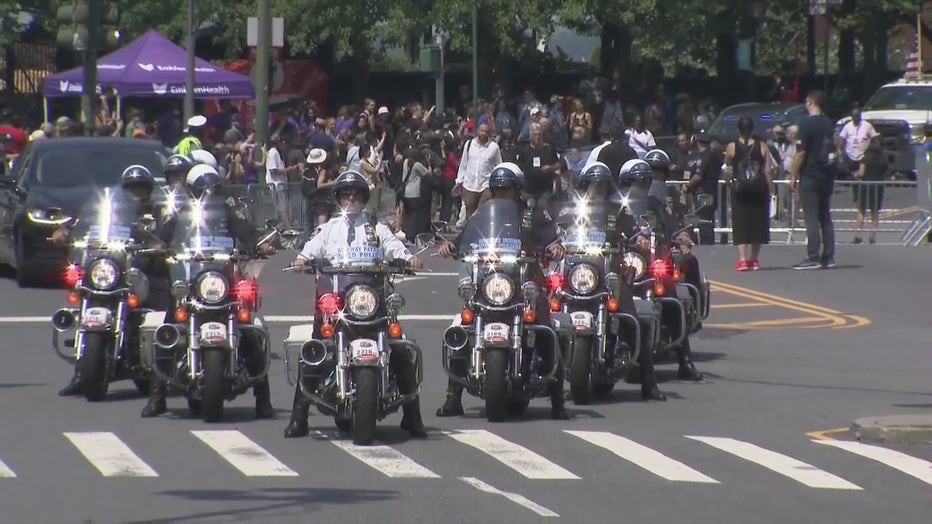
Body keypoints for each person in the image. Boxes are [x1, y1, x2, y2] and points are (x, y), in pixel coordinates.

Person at [284, 170, 428, 439]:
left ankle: (413, 416)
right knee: (315, 352)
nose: (351, 198)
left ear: (364, 197)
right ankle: (299, 418)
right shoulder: (327, 229)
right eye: (346, 194)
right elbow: (310, 250)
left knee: (400, 352)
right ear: (338, 198)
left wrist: (409, 260)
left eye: (356, 194)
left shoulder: (376, 227)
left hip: (371, 299)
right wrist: (302, 260)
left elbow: (395, 248)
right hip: (336, 301)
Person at [435, 162, 571, 420]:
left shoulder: (534, 215)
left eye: (505, 189)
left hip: (524, 283)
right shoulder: (482, 214)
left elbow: (552, 239)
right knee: (463, 327)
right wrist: (450, 247)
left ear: (517, 190)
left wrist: (556, 248)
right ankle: (453, 398)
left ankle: (558, 400)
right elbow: (465, 238)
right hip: (489, 282)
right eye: (497, 189)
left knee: (546, 329)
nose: (501, 194)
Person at [140, 163, 277, 418]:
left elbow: (246, 232)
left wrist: (260, 243)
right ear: (192, 190)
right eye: (202, 189)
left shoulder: (228, 211)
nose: (208, 194)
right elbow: (163, 236)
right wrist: (156, 246)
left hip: (222, 281)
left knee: (247, 332)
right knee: (168, 332)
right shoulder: (182, 214)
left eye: (212, 189)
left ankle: (263, 399)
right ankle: (157, 397)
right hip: (193, 283)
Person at [55, 165, 172, 397]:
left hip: (142, 271)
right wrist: (66, 233)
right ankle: (81, 373)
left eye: (140, 188)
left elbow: (167, 236)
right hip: (108, 270)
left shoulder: (157, 214)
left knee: (158, 309)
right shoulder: (109, 213)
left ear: (148, 191)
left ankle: (158, 368)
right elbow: (85, 226)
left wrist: (160, 246)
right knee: (83, 296)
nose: (135, 193)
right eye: (131, 188)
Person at [617, 159, 704, 383]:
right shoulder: (614, 205)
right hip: (623, 262)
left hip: (649, 261)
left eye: (643, 181)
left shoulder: (653, 202)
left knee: (670, 294)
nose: (639, 186)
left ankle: (684, 360)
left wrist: (679, 234)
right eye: (633, 181)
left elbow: (668, 222)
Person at [790, 91, 837, 269]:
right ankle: (829, 256)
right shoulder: (828, 122)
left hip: (810, 173)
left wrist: (793, 174)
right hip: (826, 173)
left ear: (811, 102)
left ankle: (813, 256)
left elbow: (801, 152)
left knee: (811, 215)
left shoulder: (806, 123)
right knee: (825, 216)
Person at [723, 117, 774, 271]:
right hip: (758, 189)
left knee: (741, 222)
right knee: (758, 223)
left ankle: (743, 259)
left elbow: (727, 167)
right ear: (752, 130)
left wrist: (728, 183)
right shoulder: (763, 146)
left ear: (738, 130)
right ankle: (754, 259)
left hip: (740, 189)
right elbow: (768, 171)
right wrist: (771, 189)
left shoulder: (732, 146)